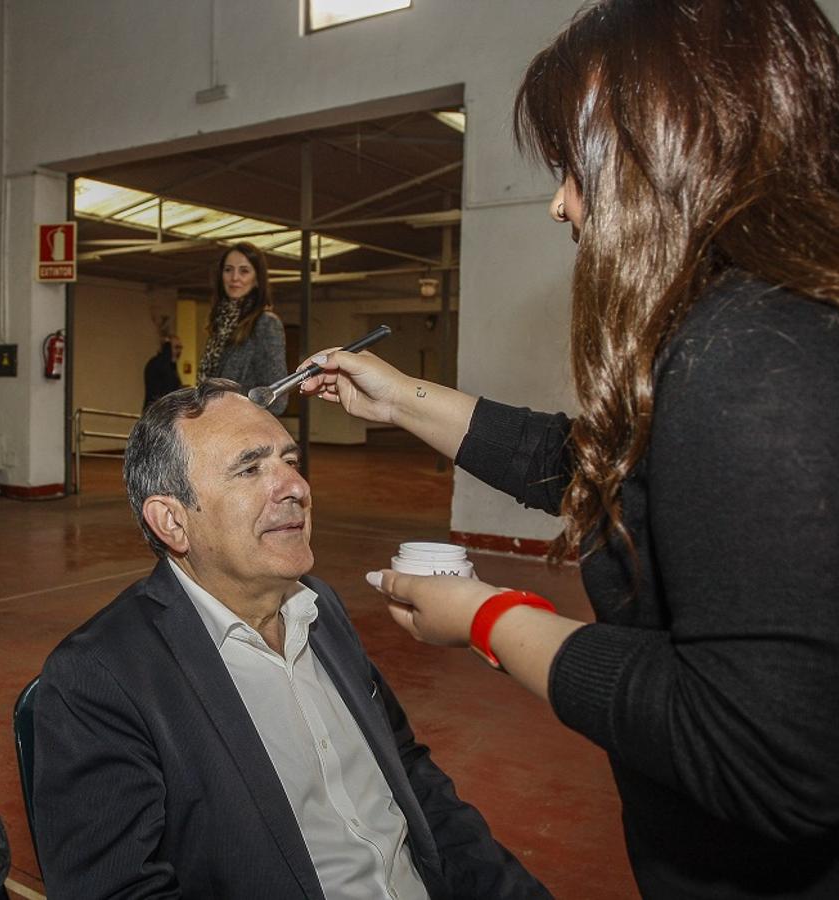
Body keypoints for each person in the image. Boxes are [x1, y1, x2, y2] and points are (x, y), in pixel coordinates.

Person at [299, 1, 839, 897]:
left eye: (571, 166)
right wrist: (404, 399)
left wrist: (483, 618)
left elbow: (763, 747)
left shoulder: (759, 353)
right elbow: (611, 468)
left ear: (676, 144)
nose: (559, 202)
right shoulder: (795, 323)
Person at [31, 379, 550, 899]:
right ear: (172, 521)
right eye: (250, 469)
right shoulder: (99, 678)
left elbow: (407, 771)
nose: (296, 487)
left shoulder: (320, 609)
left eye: (291, 461)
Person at [198, 241, 287, 413]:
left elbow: (278, 398)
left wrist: (230, 403)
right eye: (228, 269)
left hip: (242, 428)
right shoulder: (220, 326)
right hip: (215, 423)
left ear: (257, 280)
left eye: (244, 271)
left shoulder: (266, 323)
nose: (234, 278)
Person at [141, 332, 182, 410]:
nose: (179, 351)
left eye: (180, 347)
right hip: (157, 411)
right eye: (176, 347)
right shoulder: (157, 364)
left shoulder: (170, 366)